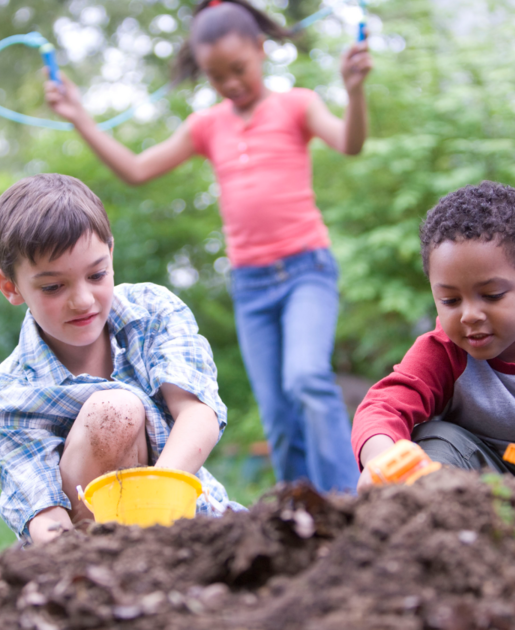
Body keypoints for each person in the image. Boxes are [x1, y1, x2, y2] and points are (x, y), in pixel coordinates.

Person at [43, 0, 372, 493]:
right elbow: (136, 169)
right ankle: (301, 512)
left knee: (306, 378)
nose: (231, 83)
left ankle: (351, 500)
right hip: (252, 285)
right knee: (277, 411)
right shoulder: (207, 125)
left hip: (306, 270)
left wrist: (354, 91)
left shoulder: (297, 105)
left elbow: (349, 142)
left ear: (261, 50)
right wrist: (79, 118)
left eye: (239, 69)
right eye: (217, 76)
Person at [0, 173, 234, 545]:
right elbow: (44, 516)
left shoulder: (152, 311)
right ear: (10, 287)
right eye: (53, 286)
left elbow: (198, 413)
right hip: (91, 549)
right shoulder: (10, 397)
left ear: (111, 255)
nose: (82, 300)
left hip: (186, 523)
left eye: (97, 274)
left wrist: (157, 498)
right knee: (115, 411)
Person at [353, 181, 515, 489]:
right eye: (450, 301)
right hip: (480, 490)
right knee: (432, 439)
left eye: (492, 295)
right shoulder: (443, 351)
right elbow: (383, 406)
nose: (469, 315)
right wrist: (380, 459)